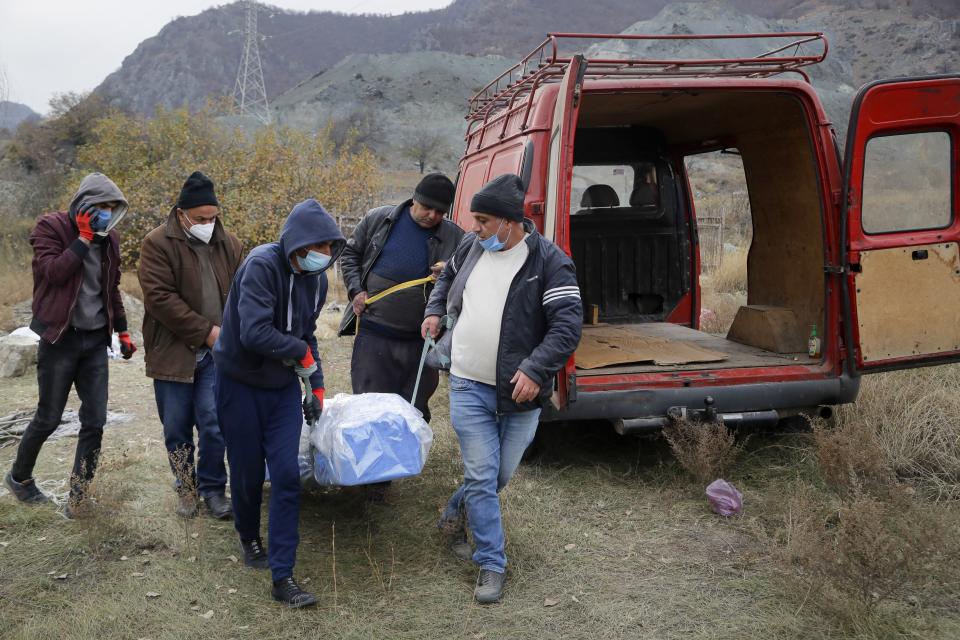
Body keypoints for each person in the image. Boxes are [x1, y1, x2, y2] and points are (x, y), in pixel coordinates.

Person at [422, 174, 582, 604]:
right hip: (467, 382)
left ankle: (455, 512)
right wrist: (436, 312)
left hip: (521, 391)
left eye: (483, 220)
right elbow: (443, 283)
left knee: (497, 475)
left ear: (511, 222)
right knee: (480, 472)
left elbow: (567, 327)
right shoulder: (471, 248)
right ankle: (491, 562)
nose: (474, 228)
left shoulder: (550, 262)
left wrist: (535, 369)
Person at [213, 199, 345, 608]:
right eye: (316, 247)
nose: (323, 256)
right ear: (297, 244)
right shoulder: (260, 265)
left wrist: (317, 386)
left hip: (282, 389)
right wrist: (299, 354)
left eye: (329, 248)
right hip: (238, 384)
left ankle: (283, 576)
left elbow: (306, 338)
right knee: (249, 472)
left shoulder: (317, 280)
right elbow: (254, 332)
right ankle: (249, 536)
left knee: (286, 475)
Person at [5, 173, 136, 517]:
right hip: (60, 339)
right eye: (101, 207)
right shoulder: (51, 227)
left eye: (112, 208)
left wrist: (122, 332)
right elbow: (53, 273)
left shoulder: (111, 240)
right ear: (83, 205)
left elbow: (111, 290)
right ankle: (19, 478)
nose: (106, 213)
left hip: (94, 342)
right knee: (48, 418)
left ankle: (79, 498)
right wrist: (82, 239)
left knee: (95, 420)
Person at [338, 173, 463, 499]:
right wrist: (356, 289)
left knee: (414, 406)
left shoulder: (455, 237)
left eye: (440, 211)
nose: (432, 216)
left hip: (422, 341)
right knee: (372, 405)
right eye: (426, 207)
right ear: (413, 199)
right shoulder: (380, 219)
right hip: (375, 334)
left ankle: (396, 462)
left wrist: (448, 272)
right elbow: (349, 255)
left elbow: (468, 275)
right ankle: (373, 479)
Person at [138, 172, 242, 520]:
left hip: (217, 353)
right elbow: (159, 299)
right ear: (181, 213)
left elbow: (243, 294)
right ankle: (185, 487)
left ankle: (214, 488)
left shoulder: (230, 244)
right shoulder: (157, 243)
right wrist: (206, 332)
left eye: (213, 218)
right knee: (176, 426)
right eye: (200, 219)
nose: (208, 225)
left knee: (215, 422)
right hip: (173, 351)